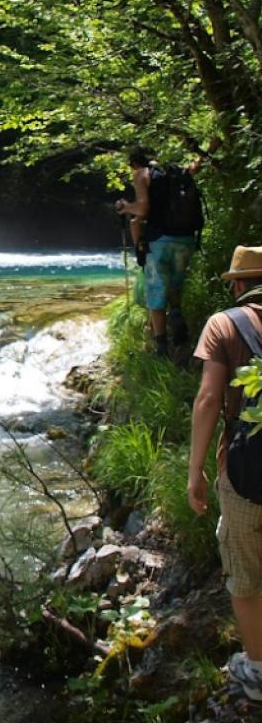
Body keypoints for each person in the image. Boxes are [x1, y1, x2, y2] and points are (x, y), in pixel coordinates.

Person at [189, 245, 262, 701]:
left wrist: (194, 472)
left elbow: (209, 401)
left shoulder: (224, 324)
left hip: (246, 471)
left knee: (246, 575)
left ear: (238, 284)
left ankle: (257, 674)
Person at [116, 147, 204, 357]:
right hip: (186, 239)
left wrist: (126, 207)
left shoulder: (141, 173)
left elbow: (143, 208)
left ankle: (161, 347)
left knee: (156, 291)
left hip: (160, 241)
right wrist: (212, 146)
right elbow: (197, 165)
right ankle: (176, 317)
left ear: (134, 163)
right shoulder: (176, 172)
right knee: (175, 282)